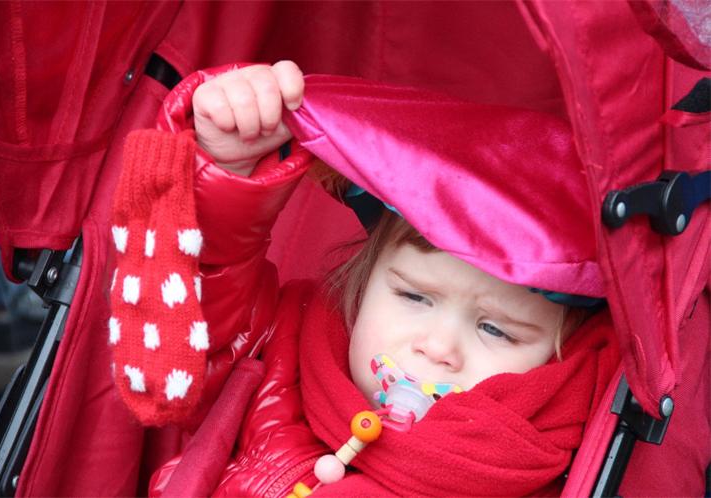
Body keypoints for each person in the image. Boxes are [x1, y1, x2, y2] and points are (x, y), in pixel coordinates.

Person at [108, 62, 619, 496]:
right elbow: (197, 307)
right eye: (414, 296)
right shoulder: (282, 352)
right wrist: (230, 165)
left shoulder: (553, 462)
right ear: (365, 280)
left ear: (561, 354)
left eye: (496, 329)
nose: (437, 348)